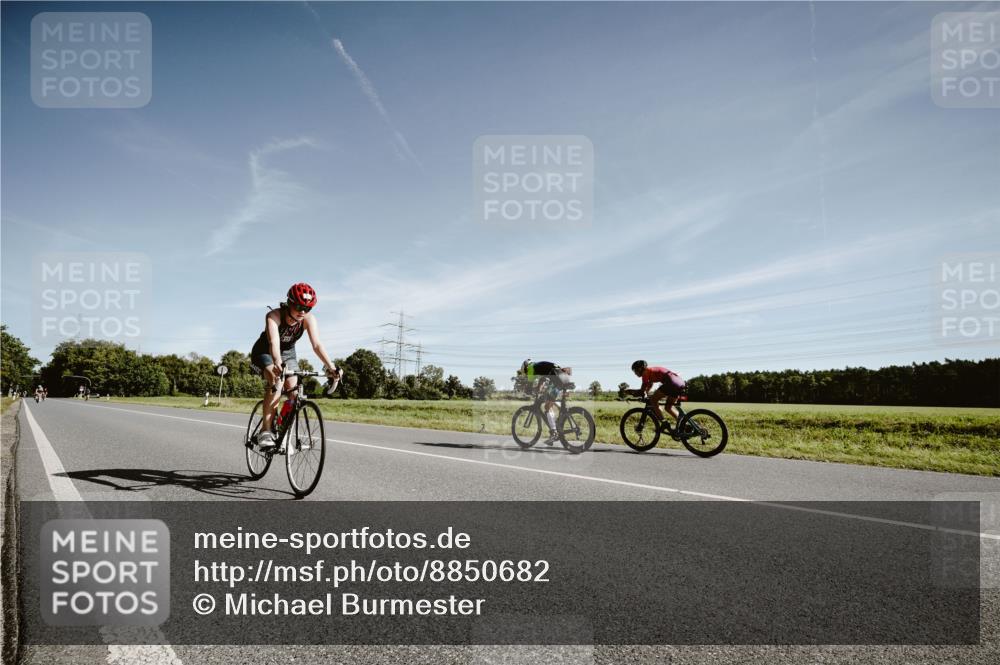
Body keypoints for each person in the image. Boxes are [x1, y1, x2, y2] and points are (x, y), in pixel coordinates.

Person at [249, 283, 340, 450]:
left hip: (288, 354)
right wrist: (276, 362)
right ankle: (266, 431)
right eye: (299, 306)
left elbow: (317, 345)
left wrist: (331, 367)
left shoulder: (307, 320)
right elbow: (274, 343)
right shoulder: (274, 316)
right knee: (276, 380)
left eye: (308, 308)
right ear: (289, 302)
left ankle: (283, 433)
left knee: (294, 394)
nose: (303, 312)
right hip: (265, 352)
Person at [517, 359, 573, 445]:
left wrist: (528, 390)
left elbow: (530, 385)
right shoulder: (540, 367)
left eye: (526, 373)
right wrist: (539, 389)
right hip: (564, 377)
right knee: (549, 399)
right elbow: (542, 380)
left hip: (557, 378)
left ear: (525, 367)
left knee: (547, 406)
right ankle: (561, 416)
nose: (527, 374)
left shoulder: (531, 367)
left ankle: (554, 433)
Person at [624, 360, 686, 426]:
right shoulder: (650, 371)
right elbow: (649, 386)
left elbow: (642, 391)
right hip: (679, 382)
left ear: (640, 369)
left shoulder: (645, 373)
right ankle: (684, 424)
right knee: (668, 407)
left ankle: (664, 422)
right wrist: (646, 393)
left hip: (670, 382)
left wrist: (630, 391)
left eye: (635, 371)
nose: (635, 373)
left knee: (653, 400)